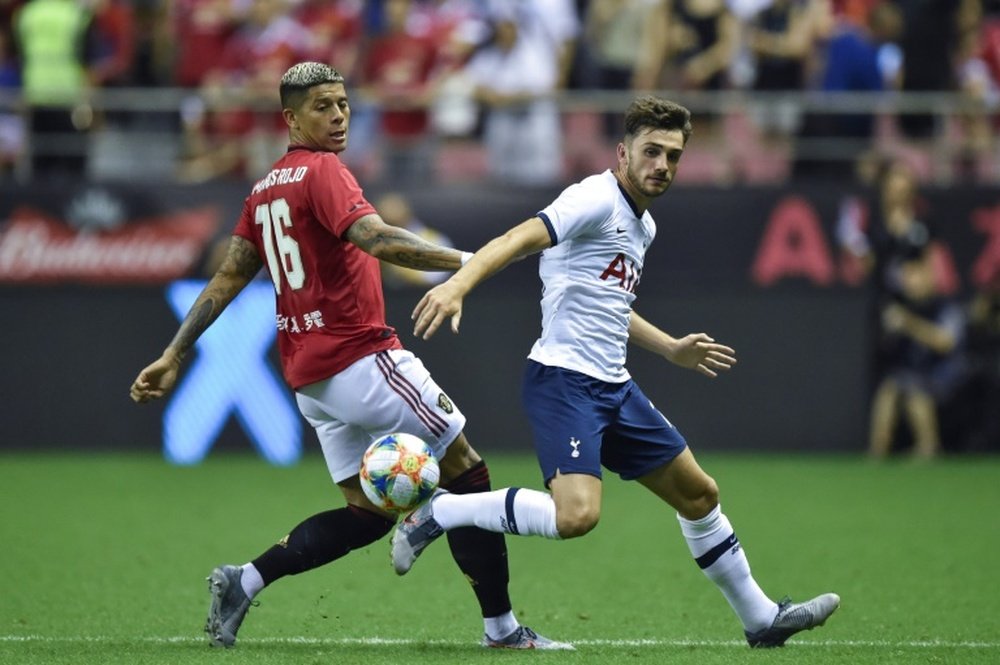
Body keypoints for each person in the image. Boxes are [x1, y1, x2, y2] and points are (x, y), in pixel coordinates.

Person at [129, 62, 568, 651]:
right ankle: (501, 630)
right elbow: (378, 238)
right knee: (466, 469)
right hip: (362, 358)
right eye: (322, 107)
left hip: (312, 381)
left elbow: (228, 276)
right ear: (290, 118)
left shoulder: (263, 189)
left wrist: (173, 353)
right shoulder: (324, 171)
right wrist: (475, 259)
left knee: (365, 514)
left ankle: (246, 580)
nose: (338, 116)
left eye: (342, 104)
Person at [392, 95, 840, 648]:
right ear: (623, 153)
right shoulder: (593, 198)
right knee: (575, 516)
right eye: (652, 152)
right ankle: (445, 509)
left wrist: (671, 348)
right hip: (563, 381)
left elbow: (613, 305)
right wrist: (457, 284)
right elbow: (515, 240)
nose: (663, 165)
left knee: (699, 495)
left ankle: (761, 619)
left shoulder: (641, 226)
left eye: (673, 156)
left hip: (614, 386)